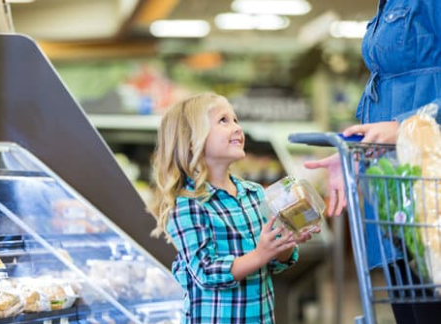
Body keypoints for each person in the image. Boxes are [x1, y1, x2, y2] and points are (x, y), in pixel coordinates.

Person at [305, 1, 441, 323]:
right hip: (396, 191)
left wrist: (403, 126)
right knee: (410, 311)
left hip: (431, 192)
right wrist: (354, 153)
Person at [149, 92, 317, 324]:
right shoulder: (187, 204)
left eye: (236, 119)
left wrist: (284, 242)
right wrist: (260, 254)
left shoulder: (254, 193)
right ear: (191, 141)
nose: (237, 127)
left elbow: (274, 264)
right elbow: (205, 271)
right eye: (223, 121)